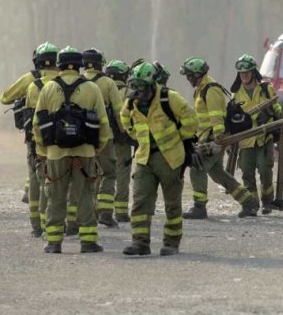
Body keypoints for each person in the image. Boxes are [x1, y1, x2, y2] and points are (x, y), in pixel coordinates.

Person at [33, 47, 111, 253]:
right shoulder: (92, 88)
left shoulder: (48, 88)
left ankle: (54, 243)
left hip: (55, 154)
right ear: (80, 66)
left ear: (59, 65)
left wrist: (43, 150)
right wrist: (96, 148)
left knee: (56, 198)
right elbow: (104, 124)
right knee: (85, 195)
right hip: (85, 153)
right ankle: (88, 242)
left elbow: (36, 123)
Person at [120, 62, 197, 256]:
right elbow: (125, 121)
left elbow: (190, 119)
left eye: (142, 87)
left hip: (170, 159)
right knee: (140, 201)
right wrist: (138, 138)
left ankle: (171, 243)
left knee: (172, 204)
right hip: (144, 158)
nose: (138, 91)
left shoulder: (169, 98)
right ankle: (140, 243)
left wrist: (181, 137)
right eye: (135, 86)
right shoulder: (131, 103)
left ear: (152, 84)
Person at [180, 56, 259, 219]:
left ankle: (199, 207)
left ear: (197, 74)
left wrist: (218, 140)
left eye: (189, 76)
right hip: (206, 137)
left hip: (214, 138)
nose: (188, 79)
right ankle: (248, 201)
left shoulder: (211, 89)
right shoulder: (201, 89)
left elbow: (217, 117)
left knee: (197, 168)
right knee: (217, 174)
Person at [230, 54, 282, 214]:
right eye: (241, 73)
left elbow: (278, 110)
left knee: (265, 170)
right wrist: (230, 143)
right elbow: (231, 120)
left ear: (253, 72)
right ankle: (252, 204)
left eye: (247, 72)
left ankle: (267, 201)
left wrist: (269, 112)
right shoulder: (236, 95)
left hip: (263, 138)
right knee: (247, 173)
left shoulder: (266, 89)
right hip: (245, 141)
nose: (244, 76)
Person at [82, 48, 123, 228]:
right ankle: (105, 212)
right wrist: (126, 131)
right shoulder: (108, 82)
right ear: (100, 64)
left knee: (86, 174)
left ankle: (86, 213)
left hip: (81, 137)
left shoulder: (78, 81)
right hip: (105, 136)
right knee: (109, 172)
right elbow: (118, 111)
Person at [0, 45, 46, 204]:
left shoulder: (29, 79)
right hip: (61, 134)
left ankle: (37, 219)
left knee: (34, 169)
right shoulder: (63, 78)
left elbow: (5, 98)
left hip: (34, 133)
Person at [23, 43, 60, 237]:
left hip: (37, 142)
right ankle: (62, 223)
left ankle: (37, 225)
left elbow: (5, 97)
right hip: (62, 141)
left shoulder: (32, 84)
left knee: (36, 181)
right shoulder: (66, 82)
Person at [104, 60, 133, 222]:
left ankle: (100, 209)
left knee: (103, 173)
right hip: (122, 140)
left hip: (103, 138)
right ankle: (121, 212)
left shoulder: (100, 87)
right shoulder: (128, 91)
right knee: (122, 173)